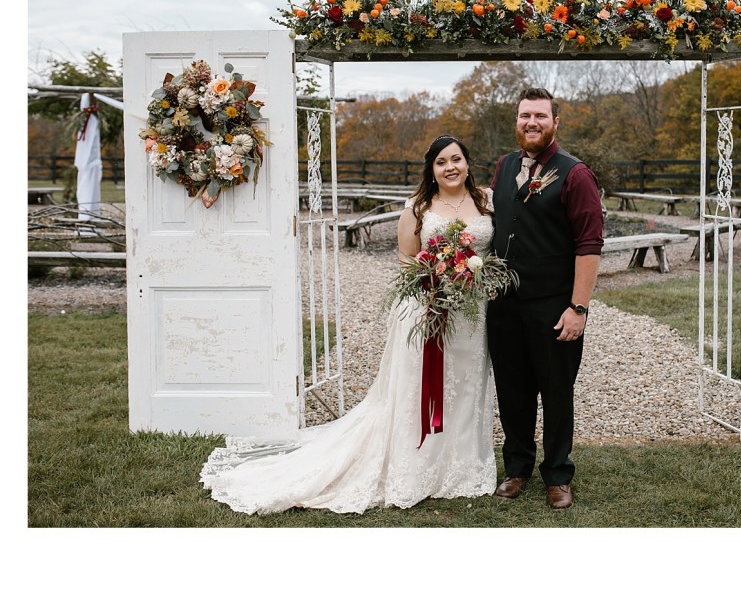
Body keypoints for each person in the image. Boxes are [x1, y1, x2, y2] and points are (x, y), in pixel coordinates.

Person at [201, 135, 497, 514]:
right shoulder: (420, 207)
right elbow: (407, 258)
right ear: (432, 169)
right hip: (428, 310)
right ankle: (418, 466)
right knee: (418, 391)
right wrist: (433, 288)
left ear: (468, 163)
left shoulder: (487, 201)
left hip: (473, 315)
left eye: (456, 159)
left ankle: (461, 466)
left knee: (467, 387)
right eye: (441, 162)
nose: (450, 167)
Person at [487, 87, 604, 510]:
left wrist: (579, 308)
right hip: (503, 306)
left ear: (555, 122)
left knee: (556, 393)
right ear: (516, 122)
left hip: (554, 306)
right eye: (524, 116)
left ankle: (558, 474)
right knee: (512, 392)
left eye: (540, 115)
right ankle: (516, 467)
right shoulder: (502, 167)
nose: (531, 122)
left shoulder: (575, 174)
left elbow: (589, 245)